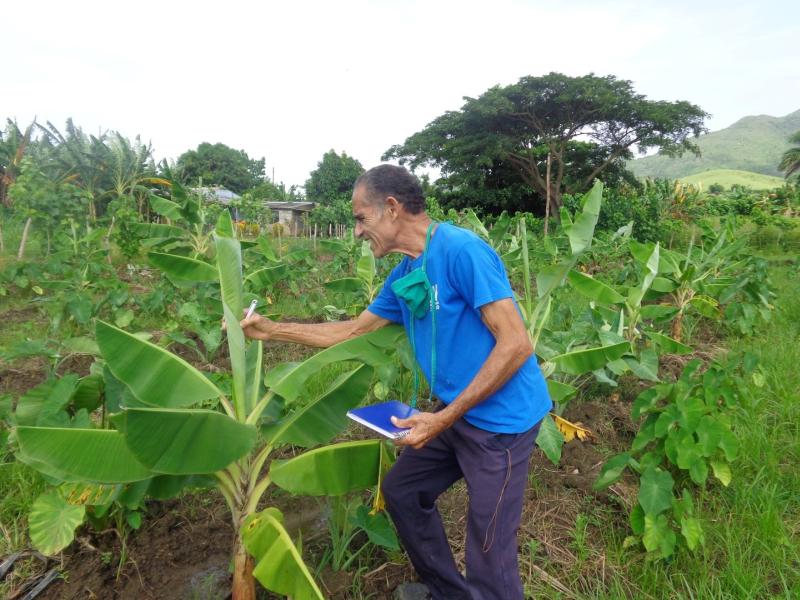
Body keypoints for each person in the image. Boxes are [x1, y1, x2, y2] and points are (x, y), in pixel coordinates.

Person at [240, 164, 552, 600]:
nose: (356, 232)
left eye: (360, 218)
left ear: (391, 209)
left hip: (501, 423)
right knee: (403, 491)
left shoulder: (461, 251)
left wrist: (443, 418)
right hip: (454, 414)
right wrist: (274, 330)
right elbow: (354, 330)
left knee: (489, 546)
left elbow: (517, 343)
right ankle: (450, 593)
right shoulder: (404, 273)